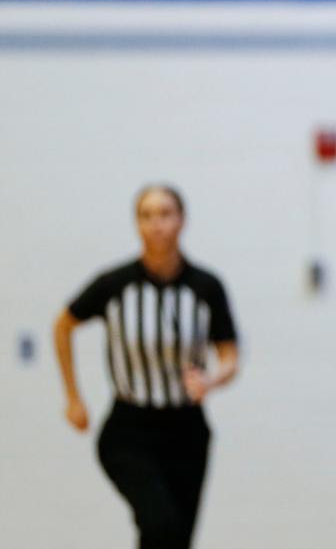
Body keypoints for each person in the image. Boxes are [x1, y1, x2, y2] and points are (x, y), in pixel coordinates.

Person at [53, 185, 240, 549]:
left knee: (175, 539)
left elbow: (230, 355)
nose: (157, 224)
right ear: (137, 224)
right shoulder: (115, 284)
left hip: (187, 430)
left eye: (165, 214)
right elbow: (63, 326)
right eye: (147, 215)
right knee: (160, 524)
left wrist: (212, 380)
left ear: (181, 221)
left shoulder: (206, 286)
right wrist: (73, 397)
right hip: (129, 430)